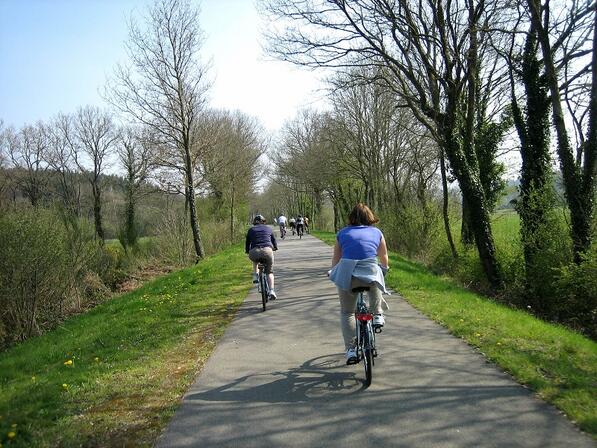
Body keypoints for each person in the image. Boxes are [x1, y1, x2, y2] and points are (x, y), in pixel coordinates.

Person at [328, 203, 389, 364]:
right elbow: (384, 257)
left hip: (349, 277)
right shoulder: (377, 232)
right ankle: (377, 315)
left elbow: (336, 259)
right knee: (376, 274)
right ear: (369, 216)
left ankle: (351, 350)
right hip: (369, 274)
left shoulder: (342, 233)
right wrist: (384, 270)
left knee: (347, 312)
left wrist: (333, 271)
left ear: (351, 218)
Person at [245, 215, 278, 300]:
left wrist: (247, 251)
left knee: (255, 259)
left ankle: (255, 275)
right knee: (269, 272)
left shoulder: (251, 230)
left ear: (254, 222)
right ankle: (271, 291)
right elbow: (273, 240)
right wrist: (275, 247)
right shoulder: (268, 229)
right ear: (264, 222)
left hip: (254, 252)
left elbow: (247, 243)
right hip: (267, 251)